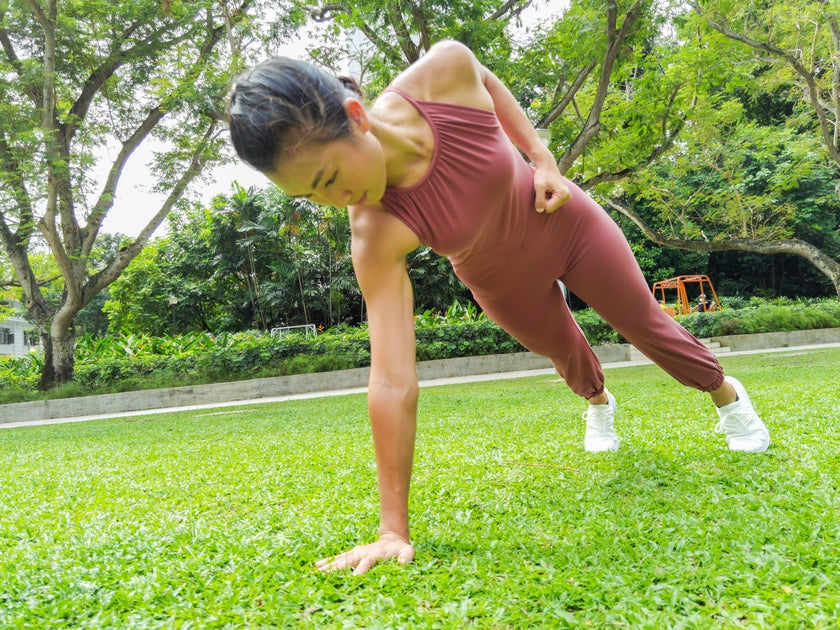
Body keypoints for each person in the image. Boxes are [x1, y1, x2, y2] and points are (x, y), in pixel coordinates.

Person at [226, 40, 770, 575]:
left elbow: (486, 79)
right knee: (563, 350)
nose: (332, 201)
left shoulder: (442, 72)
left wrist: (544, 159)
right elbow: (392, 377)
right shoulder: (374, 230)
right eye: (310, 197)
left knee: (644, 324)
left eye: (326, 179)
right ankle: (599, 403)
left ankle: (726, 397)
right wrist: (393, 529)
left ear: (356, 117)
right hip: (496, 278)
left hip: (565, 221)